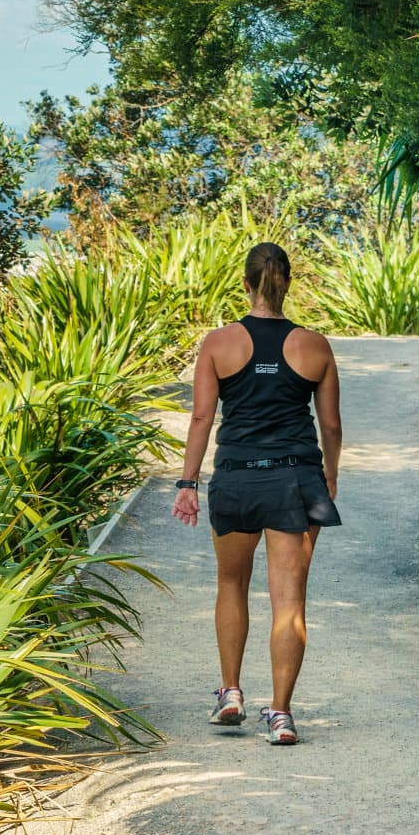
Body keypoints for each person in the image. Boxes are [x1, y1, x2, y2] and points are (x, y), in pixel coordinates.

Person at [170, 241, 342, 746]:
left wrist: (187, 483)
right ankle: (281, 716)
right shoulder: (315, 346)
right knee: (289, 600)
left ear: (246, 284)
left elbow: (202, 418)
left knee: (231, 584)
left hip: (236, 479)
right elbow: (331, 426)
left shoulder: (218, 343)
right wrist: (330, 476)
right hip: (295, 479)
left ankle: (230, 694)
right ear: (288, 282)